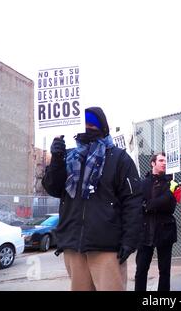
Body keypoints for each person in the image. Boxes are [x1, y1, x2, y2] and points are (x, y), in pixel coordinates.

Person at [42, 107, 143, 291]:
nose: (87, 127)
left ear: (103, 127)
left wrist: (130, 240)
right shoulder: (68, 157)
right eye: (84, 123)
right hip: (74, 246)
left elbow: (133, 202)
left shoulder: (119, 158)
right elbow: (53, 188)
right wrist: (56, 159)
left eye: (93, 124)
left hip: (107, 248)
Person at [134, 152, 177, 291]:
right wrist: (162, 200)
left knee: (165, 271)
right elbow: (138, 205)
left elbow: (171, 207)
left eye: (165, 161)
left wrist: (150, 205)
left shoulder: (172, 183)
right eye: (160, 160)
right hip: (145, 232)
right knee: (141, 270)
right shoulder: (143, 183)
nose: (164, 163)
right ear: (153, 163)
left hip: (165, 231)